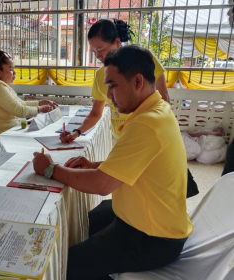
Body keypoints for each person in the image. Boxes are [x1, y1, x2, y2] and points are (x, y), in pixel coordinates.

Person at [32, 46, 193, 280]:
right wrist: (96, 164)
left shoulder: (146, 124)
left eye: (112, 85)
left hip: (153, 237)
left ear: (137, 81)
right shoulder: (158, 110)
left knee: (69, 264)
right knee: (86, 222)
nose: (108, 94)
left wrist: (49, 168)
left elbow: (101, 185)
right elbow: (136, 164)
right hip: (151, 218)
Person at [60, 19, 169, 143]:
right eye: (94, 51)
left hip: (146, 136)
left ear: (117, 42)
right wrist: (76, 133)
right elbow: (96, 113)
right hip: (119, 137)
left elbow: (164, 100)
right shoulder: (101, 75)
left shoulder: (144, 61)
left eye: (100, 50)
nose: (97, 56)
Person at [0, 51, 58, 138]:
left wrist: (42, 102)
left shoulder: (3, 87)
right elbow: (19, 110)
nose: (14, 73)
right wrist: (40, 109)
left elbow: (22, 104)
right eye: (11, 70)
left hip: (5, 135)